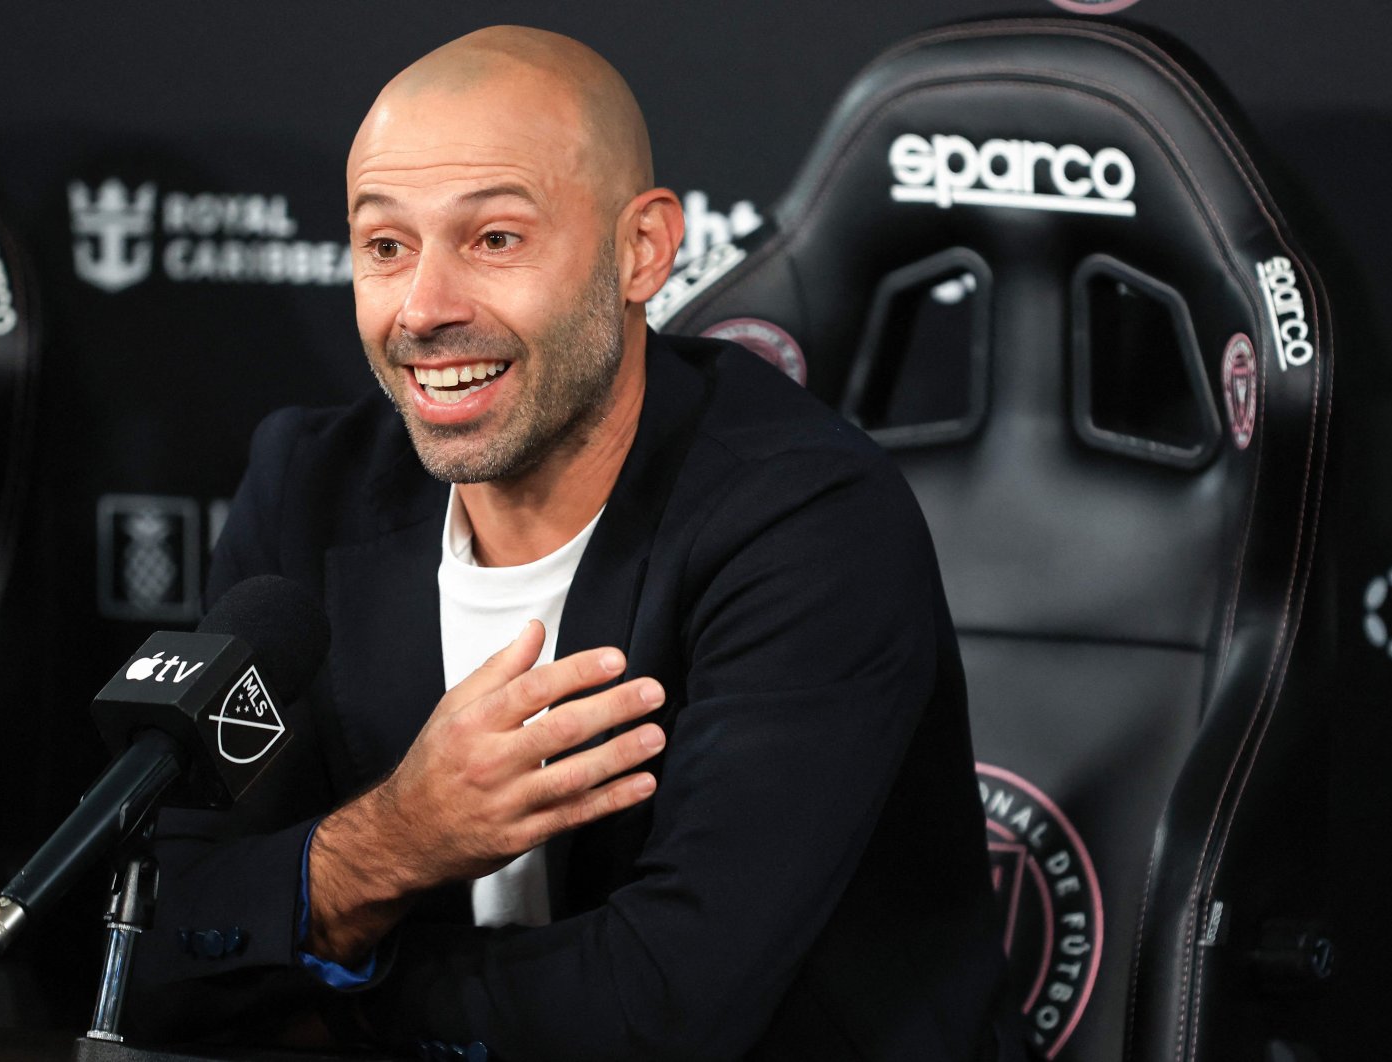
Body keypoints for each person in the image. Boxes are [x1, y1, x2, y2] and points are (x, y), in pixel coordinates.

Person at [131, 24, 1016, 1062]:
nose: (423, 309)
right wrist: (396, 841)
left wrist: (327, 982)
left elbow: (664, 1009)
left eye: (494, 240)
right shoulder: (307, 488)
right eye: (385, 246)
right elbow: (145, 954)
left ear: (640, 251)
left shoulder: (808, 519)